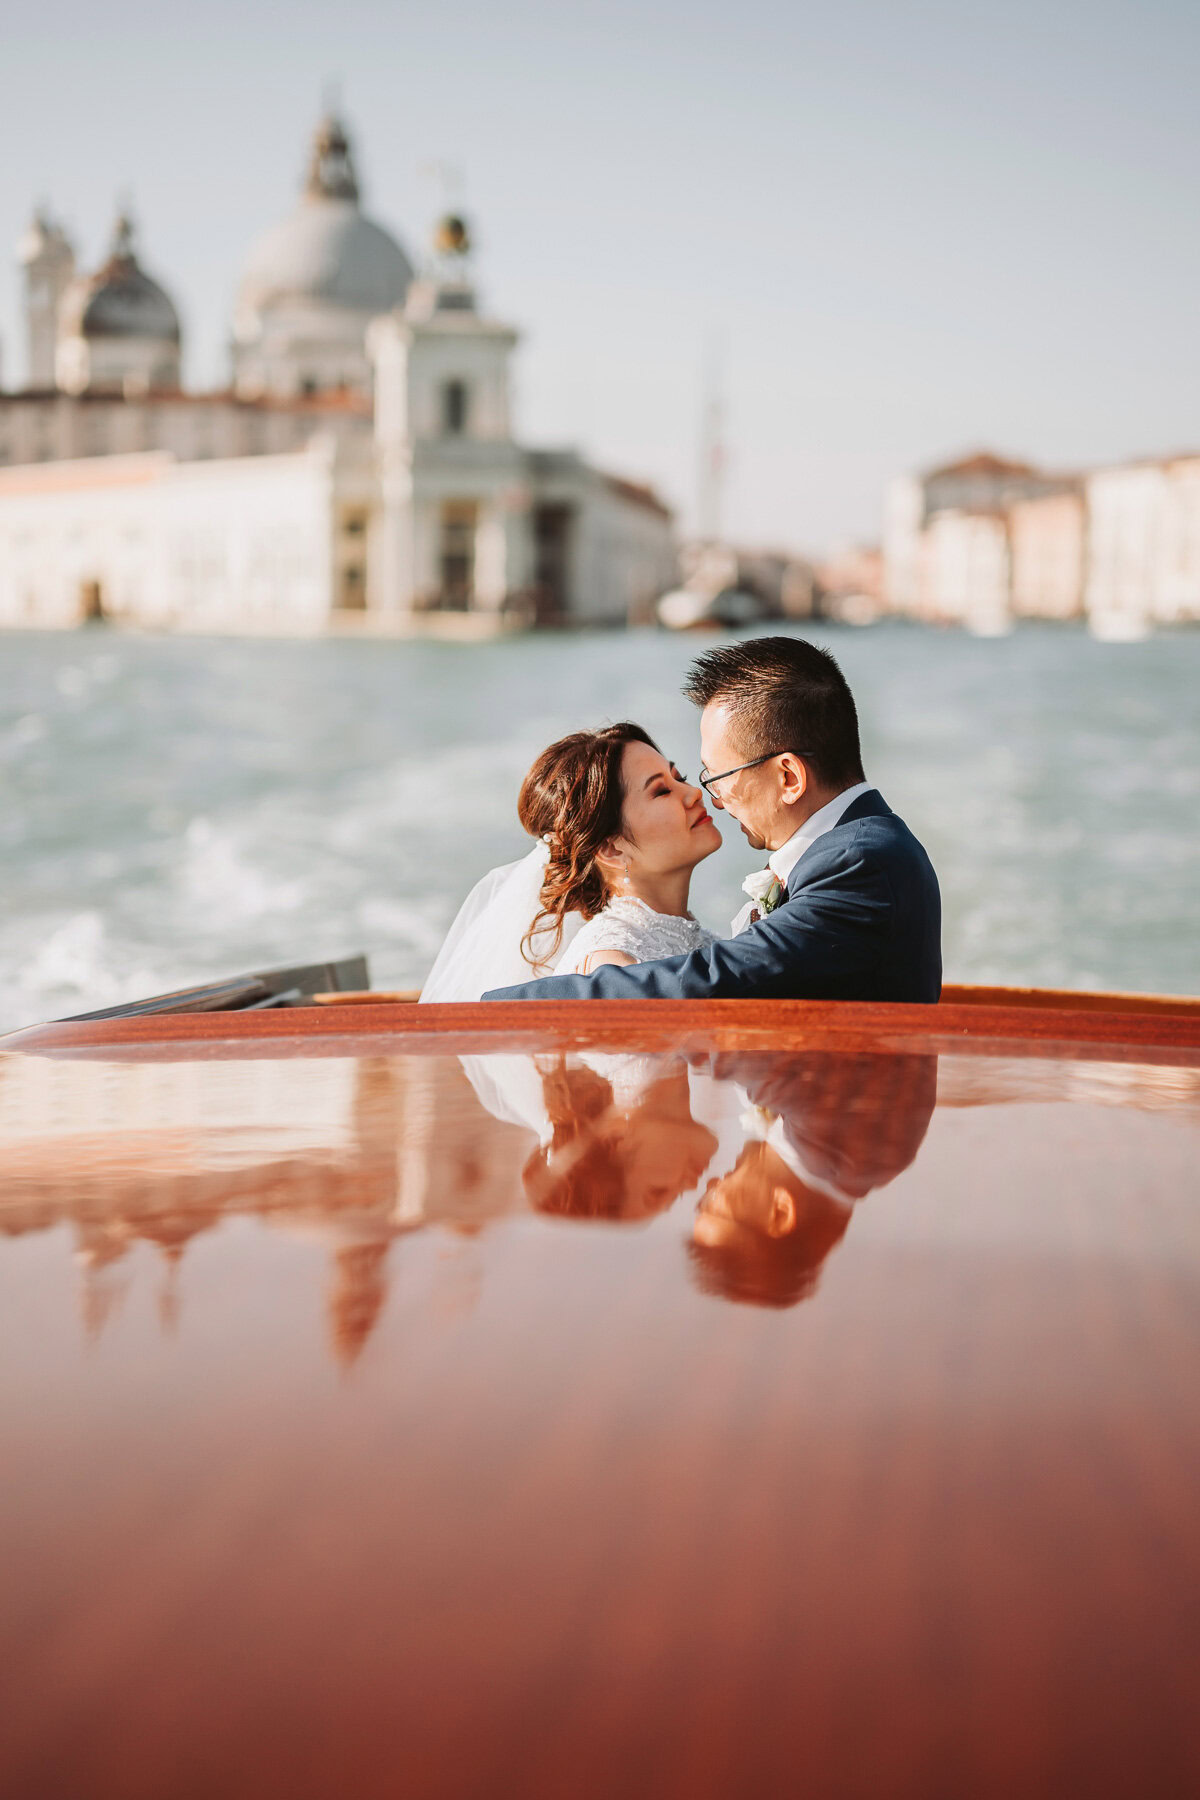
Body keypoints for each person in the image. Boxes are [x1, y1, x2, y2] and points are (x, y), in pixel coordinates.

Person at [483, 636, 942, 1005]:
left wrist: (492, 1008)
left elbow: (717, 976)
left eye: (716, 776)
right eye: (664, 788)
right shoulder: (854, 851)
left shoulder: (859, 863)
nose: (709, 799)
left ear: (788, 777)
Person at [419, 722, 723, 1002]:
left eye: (679, 777)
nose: (693, 792)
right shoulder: (612, 964)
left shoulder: (694, 936)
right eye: (662, 790)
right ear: (611, 850)